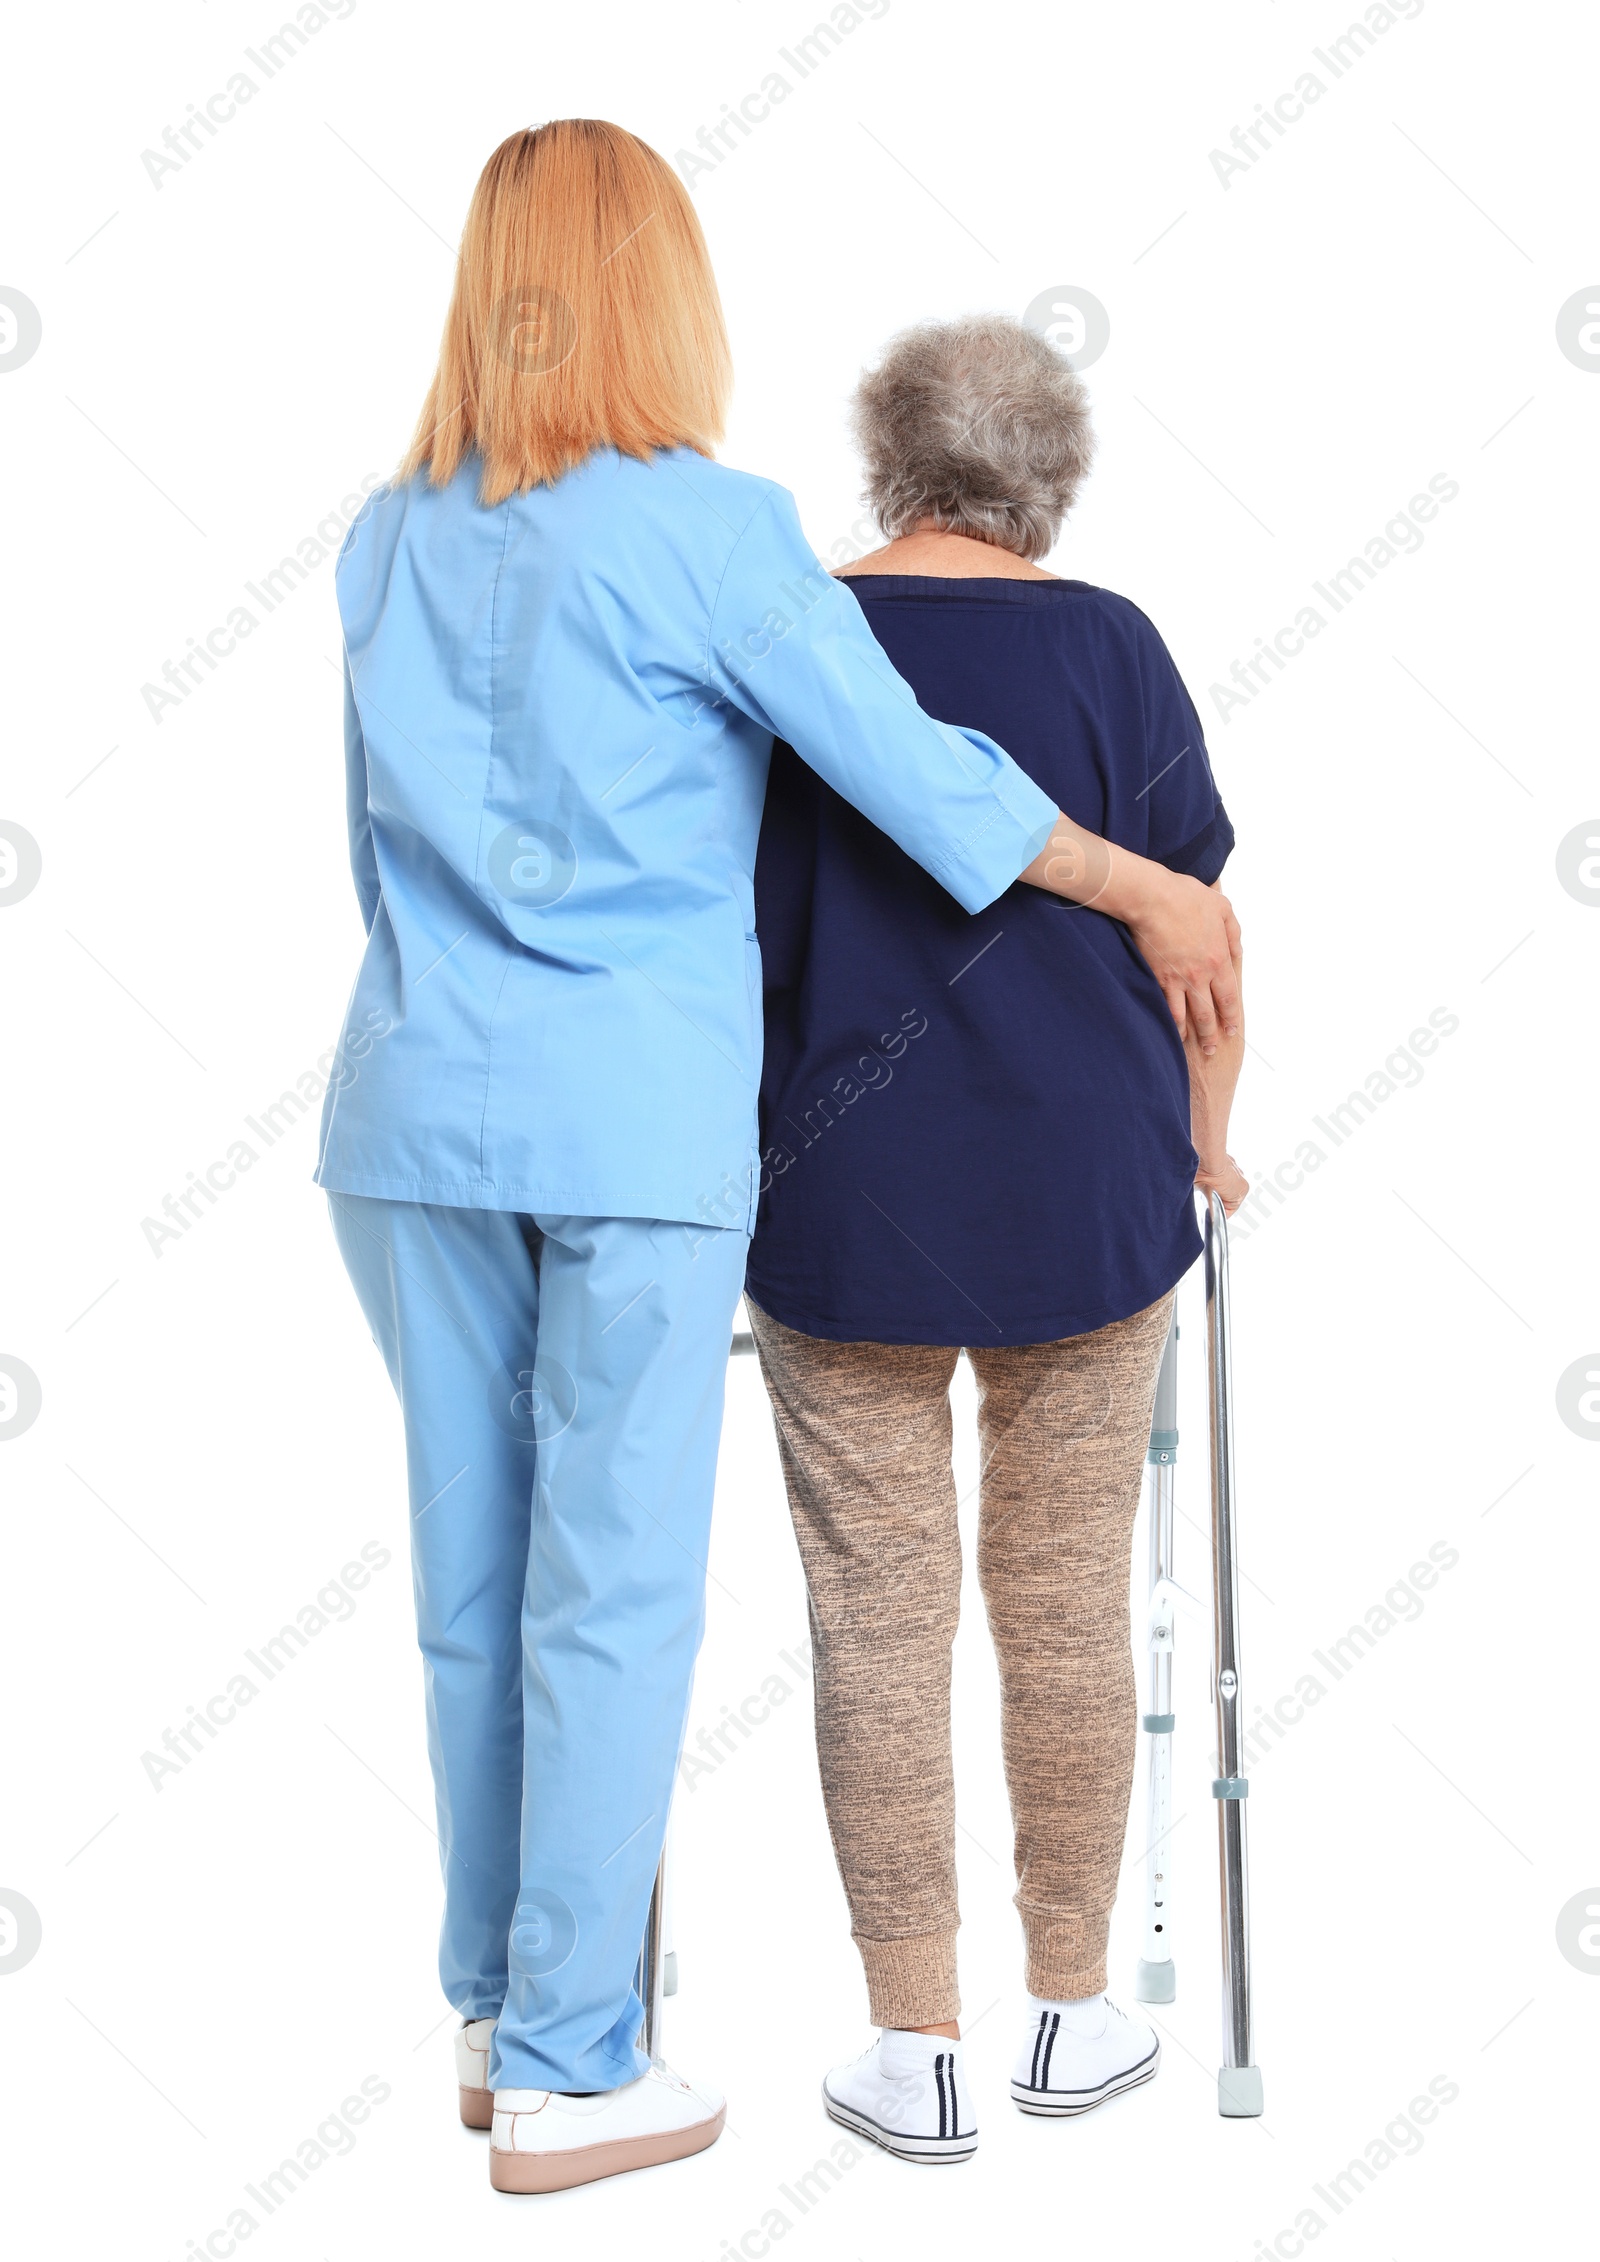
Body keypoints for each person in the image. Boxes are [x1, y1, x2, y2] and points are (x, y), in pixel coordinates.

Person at [316, 123, 1241, 2197]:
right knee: (611, 1595)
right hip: (628, 1126)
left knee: (477, 1593)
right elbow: (925, 787)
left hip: (404, 1117)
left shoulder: (387, 535)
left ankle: (499, 2017)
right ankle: (574, 2062)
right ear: (661, 289)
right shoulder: (710, 528)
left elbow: (369, 853)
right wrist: (1151, 895)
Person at [745, 314, 1248, 2163]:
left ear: (888, 457)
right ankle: (1073, 2012)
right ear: (1043, 481)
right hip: (1087, 1197)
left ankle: (915, 2048)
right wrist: (1212, 1144)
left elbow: (731, 928)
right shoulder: (1107, 640)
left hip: (839, 1191)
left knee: (874, 1622)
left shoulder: (785, 638)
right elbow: (1195, 927)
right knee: (1061, 1610)